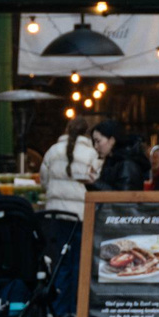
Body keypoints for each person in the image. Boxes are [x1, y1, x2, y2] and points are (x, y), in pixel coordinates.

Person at [38, 123, 101, 307]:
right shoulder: (90, 153)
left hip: (56, 214)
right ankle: (77, 307)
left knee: (61, 260)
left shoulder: (52, 151)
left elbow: (44, 180)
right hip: (80, 215)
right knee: (79, 261)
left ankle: (59, 307)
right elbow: (95, 181)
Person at [89, 117, 149, 193]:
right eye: (94, 142)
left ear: (112, 140)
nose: (95, 146)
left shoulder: (127, 164)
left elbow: (124, 199)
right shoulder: (111, 161)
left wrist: (96, 183)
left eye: (98, 141)